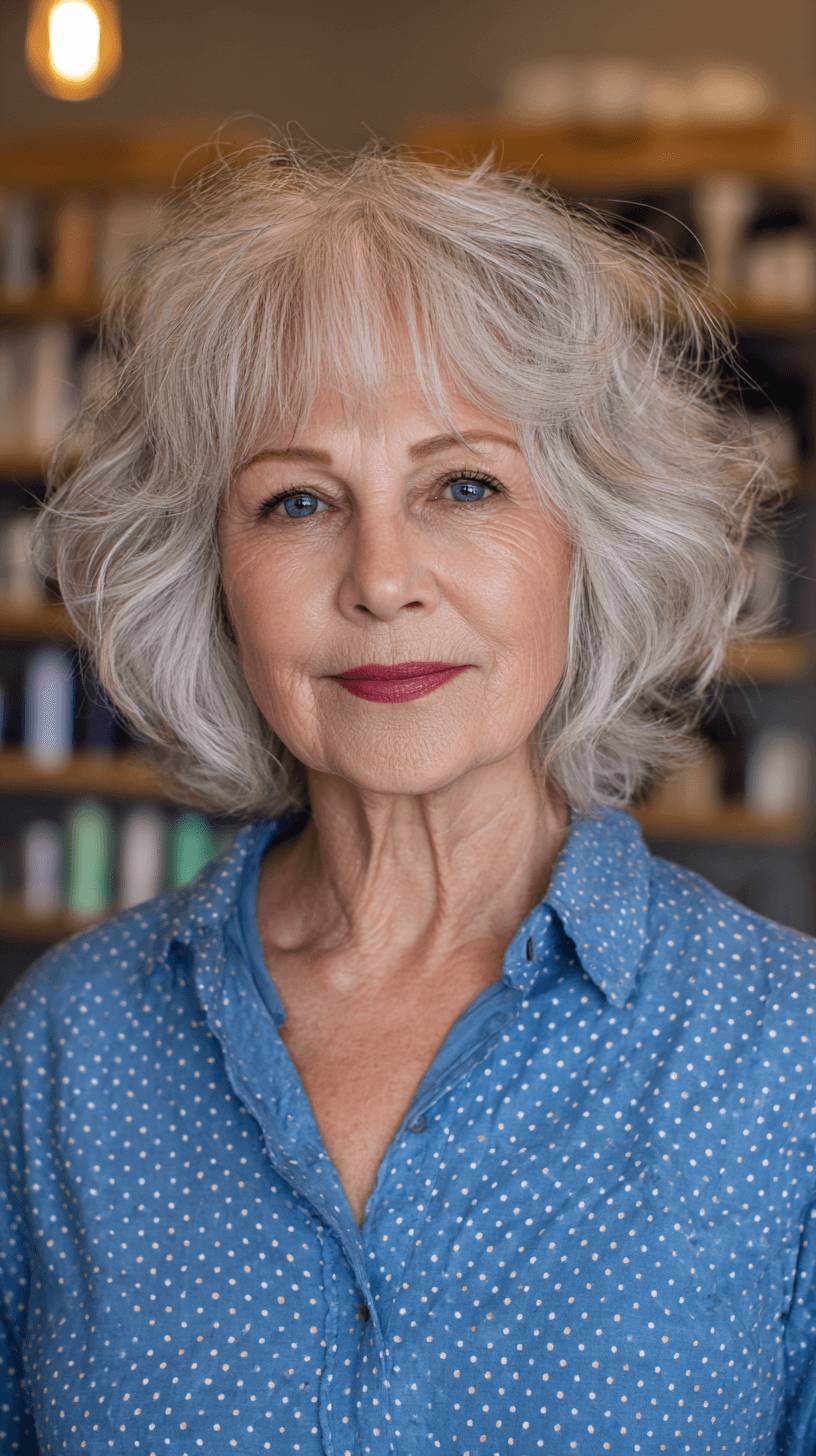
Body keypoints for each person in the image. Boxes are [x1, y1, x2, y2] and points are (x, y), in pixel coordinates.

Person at [1, 130, 814, 1456]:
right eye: (298, 503)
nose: (383, 576)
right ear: (208, 573)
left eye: (464, 484)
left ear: (585, 545)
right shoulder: (66, 1057)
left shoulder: (785, 1064)